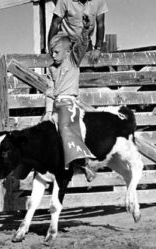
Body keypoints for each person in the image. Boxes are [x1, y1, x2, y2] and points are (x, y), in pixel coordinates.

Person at [42, 15, 96, 182]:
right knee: (44, 131)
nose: (54, 55)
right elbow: (50, 91)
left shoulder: (72, 61)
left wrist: (86, 30)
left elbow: (81, 45)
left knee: (68, 128)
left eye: (57, 52)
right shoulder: (51, 69)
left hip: (69, 103)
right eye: (52, 52)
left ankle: (84, 163)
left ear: (67, 52)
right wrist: (48, 111)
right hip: (57, 104)